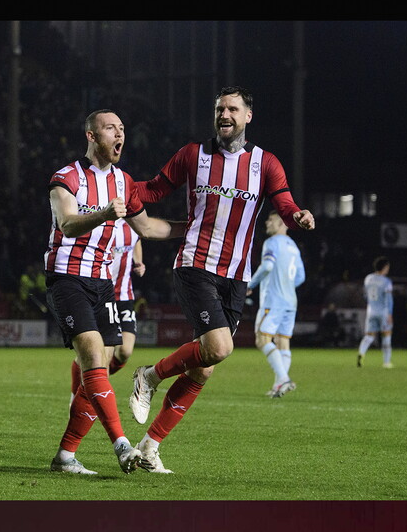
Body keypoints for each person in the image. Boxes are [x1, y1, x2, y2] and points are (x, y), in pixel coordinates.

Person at [127, 86, 316, 473]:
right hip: (196, 264)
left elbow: (283, 201)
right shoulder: (192, 155)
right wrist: (118, 188)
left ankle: (149, 446)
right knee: (219, 346)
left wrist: (297, 215)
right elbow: (154, 189)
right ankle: (148, 375)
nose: (224, 114)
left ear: (248, 115)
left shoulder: (266, 163)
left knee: (204, 366)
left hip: (236, 275)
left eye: (232, 108)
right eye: (219, 109)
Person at [45, 109, 185, 475]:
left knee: (101, 369)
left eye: (122, 128)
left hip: (102, 283)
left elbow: (149, 228)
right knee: (93, 357)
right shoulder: (67, 177)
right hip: (67, 277)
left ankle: (65, 456)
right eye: (111, 128)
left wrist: (194, 229)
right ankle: (123, 445)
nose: (119, 134)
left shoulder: (124, 182)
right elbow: (68, 224)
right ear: (92, 136)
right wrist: (106, 213)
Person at [68, 218, 145, 405]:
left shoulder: (134, 225)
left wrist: (139, 261)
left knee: (125, 351)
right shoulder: (102, 226)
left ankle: (93, 379)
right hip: (103, 295)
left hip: (125, 297)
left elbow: (137, 239)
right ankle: (86, 394)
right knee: (103, 354)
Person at [246, 210, 306, 397]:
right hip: (290, 301)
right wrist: (287, 287)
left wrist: (250, 285)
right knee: (283, 342)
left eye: (271, 220)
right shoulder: (294, 247)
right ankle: (279, 384)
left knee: (262, 339)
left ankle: (283, 379)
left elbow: (268, 266)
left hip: (273, 300)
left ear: (281, 223)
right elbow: (301, 277)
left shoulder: (271, 243)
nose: (267, 223)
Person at [356, 256, 394, 368]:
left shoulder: (368, 279)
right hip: (383, 312)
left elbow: (365, 295)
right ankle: (386, 362)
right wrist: (390, 313)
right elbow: (388, 300)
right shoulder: (386, 282)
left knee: (369, 336)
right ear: (385, 267)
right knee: (386, 336)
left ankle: (361, 354)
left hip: (371, 311)